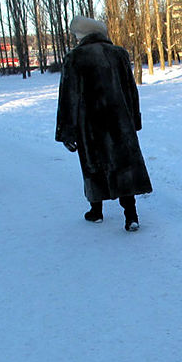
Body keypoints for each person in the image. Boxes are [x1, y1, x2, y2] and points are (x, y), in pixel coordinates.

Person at [55, 16, 152, 232]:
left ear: (81, 35)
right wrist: (134, 120)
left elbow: (68, 97)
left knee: (93, 167)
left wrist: (66, 132)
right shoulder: (119, 54)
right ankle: (131, 216)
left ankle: (96, 212)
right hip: (120, 122)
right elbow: (131, 90)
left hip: (90, 125)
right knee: (124, 167)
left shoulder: (75, 58)